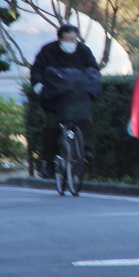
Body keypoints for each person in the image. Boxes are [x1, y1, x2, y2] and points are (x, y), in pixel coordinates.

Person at [30, 25, 99, 177]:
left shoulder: (84, 51)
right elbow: (37, 70)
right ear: (60, 39)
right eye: (67, 39)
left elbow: (93, 70)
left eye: (74, 39)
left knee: (85, 119)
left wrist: (92, 89)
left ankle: (87, 150)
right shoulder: (48, 51)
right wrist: (39, 85)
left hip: (77, 95)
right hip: (54, 97)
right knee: (52, 126)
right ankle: (48, 161)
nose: (71, 42)